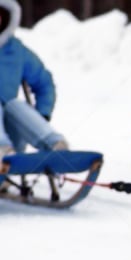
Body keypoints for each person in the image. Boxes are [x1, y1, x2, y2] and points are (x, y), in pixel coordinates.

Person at [0, 0, 67, 158]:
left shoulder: (16, 50)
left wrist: (41, 115)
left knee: (14, 104)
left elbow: (44, 84)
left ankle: (55, 148)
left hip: (11, 137)